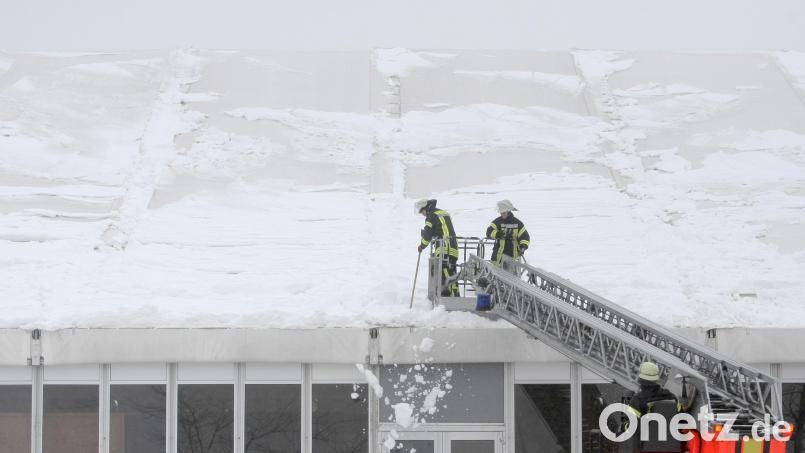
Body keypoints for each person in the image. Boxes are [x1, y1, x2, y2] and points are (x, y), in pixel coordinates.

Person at [625, 362, 682, 453]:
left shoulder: (637, 400)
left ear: (640, 379)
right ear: (656, 379)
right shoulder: (672, 397)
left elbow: (632, 428)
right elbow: (681, 420)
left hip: (647, 448)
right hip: (672, 448)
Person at [415, 198, 459, 297]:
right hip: (453, 246)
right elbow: (441, 228)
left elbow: (427, 236)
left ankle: (450, 296)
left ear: (425, 208)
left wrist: (422, 246)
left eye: (422, 212)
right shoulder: (442, 212)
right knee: (451, 271)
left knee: (444, 270)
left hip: (444, 246)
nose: (423, 214)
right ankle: (455, 294)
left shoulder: (431, 216)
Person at [486, 200, 530, 266]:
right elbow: (489, 232)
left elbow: (524, 237)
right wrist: (498, 234)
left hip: (513, 259)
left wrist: (523, 247)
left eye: (504, 213)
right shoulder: (497, 222)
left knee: (511, 276)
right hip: (497, 258)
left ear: (509, 211)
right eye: (501, 213)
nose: (502, 214)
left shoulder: (518, 223)